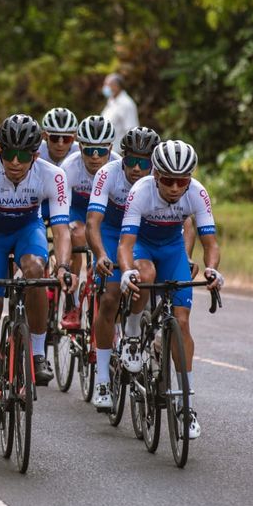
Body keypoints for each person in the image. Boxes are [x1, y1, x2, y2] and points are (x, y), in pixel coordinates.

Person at [0, 114, 75, 432]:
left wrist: (65, 267)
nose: (15, 162)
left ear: (35, 155)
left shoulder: (52, 175)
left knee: (36, 271)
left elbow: (62, 228)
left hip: (28, 230)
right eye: (9, 154)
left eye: (23, 155)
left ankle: (38, 352)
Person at [118, 140, 224, 438]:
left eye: (182, 181)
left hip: (173, 249)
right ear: (155, 176)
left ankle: (186, 404)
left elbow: (210, 243)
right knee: (146, 274)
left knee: (183, 321)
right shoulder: (140, 192)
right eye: (168, 180)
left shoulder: (198, 192)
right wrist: (128, 272)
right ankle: (133, 332)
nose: (176, 188)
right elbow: (125, 244)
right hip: (143, 246)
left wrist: (212, 269)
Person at [85, 126, 159, 408]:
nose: (137, 168)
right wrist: (101, 254)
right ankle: (102, 378)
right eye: (132, 161)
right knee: (110, 296)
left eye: (145, 162)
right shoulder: (107, 174)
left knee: (149, 279)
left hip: (143, 235)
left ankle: (133, 332)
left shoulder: (161, 177)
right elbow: (93, 222)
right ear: (122, 158)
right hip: (112, 233)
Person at [59, 115, 121, 328]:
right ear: (80, 146)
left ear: (110, 148)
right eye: (89, 150)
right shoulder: (69, 166)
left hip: (105, 216)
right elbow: (62, 209)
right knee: (76, 232)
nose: (95, 157)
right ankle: (72, 301)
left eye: (102, 150)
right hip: (77, 212)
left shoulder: (118, 164)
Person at [101, 73, 139, 153]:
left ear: (117, 86)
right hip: (106, 152)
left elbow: (131, 131)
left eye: (108, 84)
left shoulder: (126, 104)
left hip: (118, 152)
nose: (105, 87)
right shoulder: (111, 101)